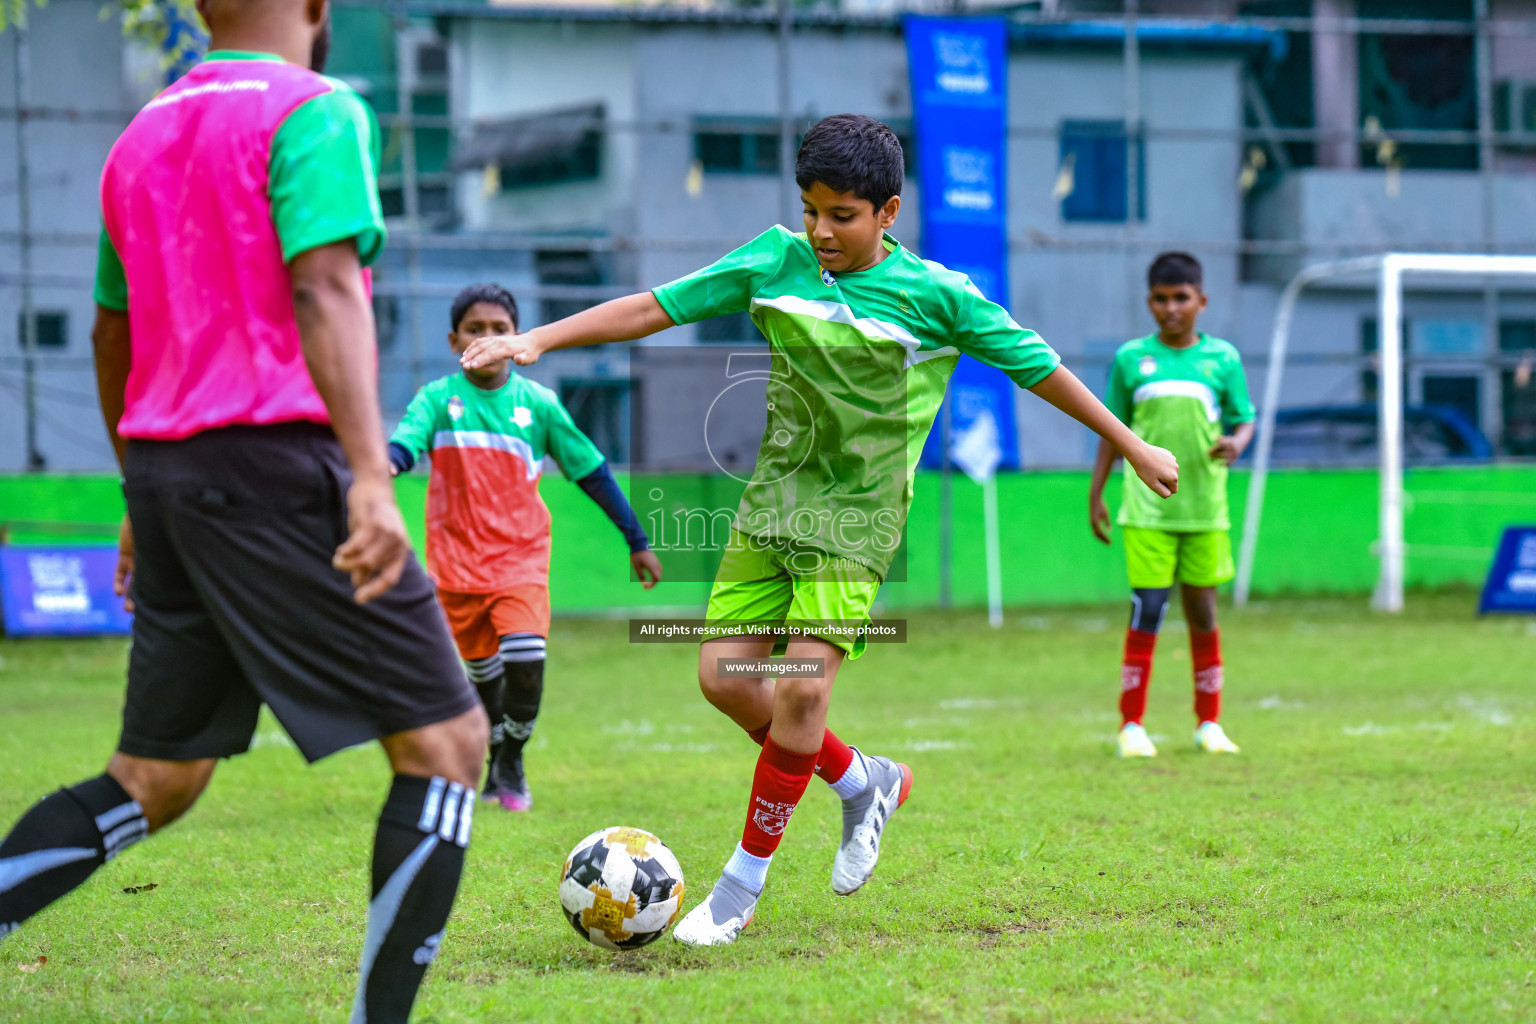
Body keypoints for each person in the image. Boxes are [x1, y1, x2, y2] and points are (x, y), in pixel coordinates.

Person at [460, 114, 1179, 946]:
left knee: (801, 687)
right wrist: (536, 339)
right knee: (726, 680)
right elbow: (657, 306)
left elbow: (1040, 367)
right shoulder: (774, 260)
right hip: (771, 509)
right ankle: (860, 780)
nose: (821, 230)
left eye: (842, 214)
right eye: (810, 209)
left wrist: (1130, 445)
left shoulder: (939, 297)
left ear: (889, 213)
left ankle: (739, 887)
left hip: (858, 521)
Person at [0, 2, 489, 1020]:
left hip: (173, 477)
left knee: (155, 776)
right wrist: (367, 471)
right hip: (278, 467)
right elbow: (323, 289)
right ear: (316, 9)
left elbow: (109, 333)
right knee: (447, 747)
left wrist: (140, 492)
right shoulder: (316, 111)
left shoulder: (139, 137)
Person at [388, 283, 663, 812]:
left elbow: (592, 472)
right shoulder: (437, 399)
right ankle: (495, 746)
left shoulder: (538, 404)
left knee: (525, 656)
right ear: (454, 340)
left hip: (520, 560)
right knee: (482, 677)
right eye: (475, 329)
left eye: (500, 329)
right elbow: (406, 442)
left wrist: (637, 540)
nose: (488, 338)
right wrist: (384, 467)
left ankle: (511, 758)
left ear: (518, 339)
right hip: (454, 568)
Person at [1088, 251, 1255, 759]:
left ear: (1201, 301)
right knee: (1150, 608)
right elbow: (1110, 431)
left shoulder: (1222, 359)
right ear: (1149, 302)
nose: (1171, 308)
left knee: (1203, 611)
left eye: (1181, 298)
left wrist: (1238, 442)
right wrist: (1096, 493)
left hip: (1204, 508)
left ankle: (1209, 724)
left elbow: (1244, 417)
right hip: (1146, 510)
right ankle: (1131, 725)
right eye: (1161, 299)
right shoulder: (1130, 359)